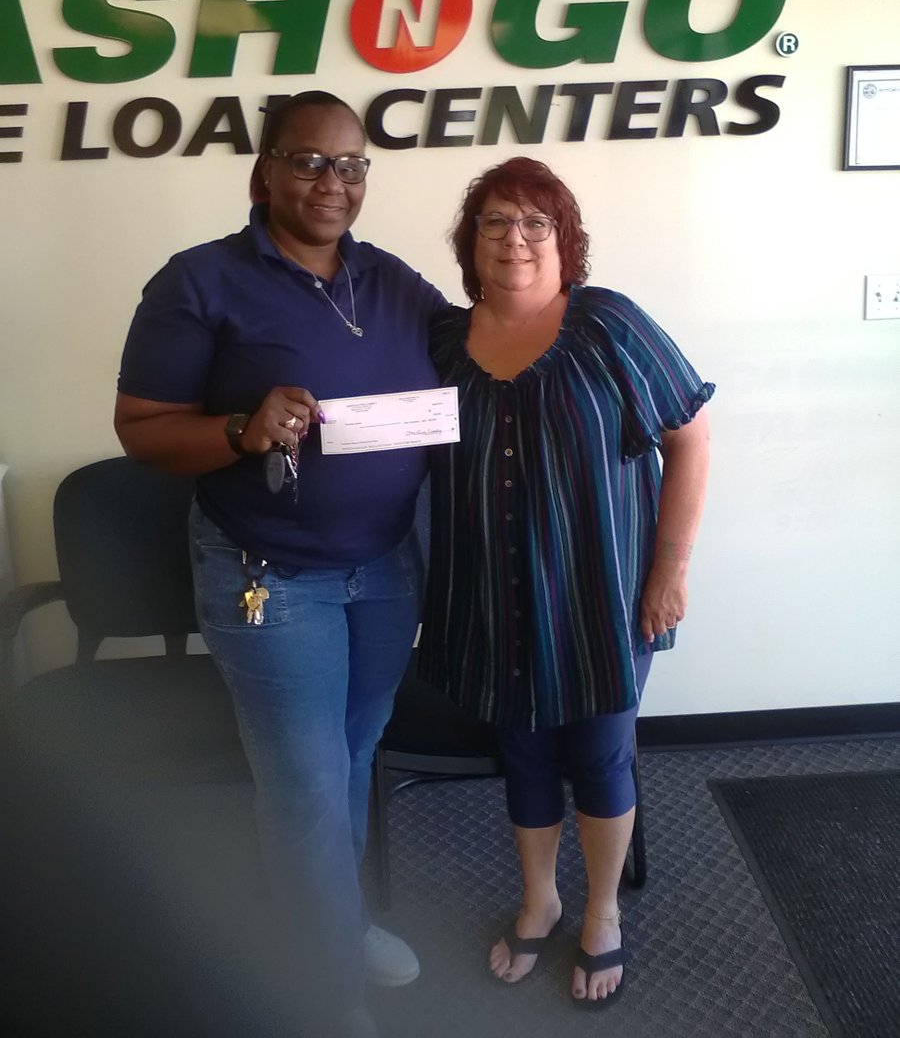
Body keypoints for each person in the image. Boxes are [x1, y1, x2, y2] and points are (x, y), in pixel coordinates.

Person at [114, 91, 444, 1038]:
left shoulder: (389, 281)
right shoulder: (199, 281)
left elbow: (474, 357)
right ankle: (321, 986)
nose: (333, 183)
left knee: (351, 759)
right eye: (309, 161)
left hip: (384, 569)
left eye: (351, 165)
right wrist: (237, 429)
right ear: (264, 173)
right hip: (270, 578)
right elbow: (141, 429)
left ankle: (335, 923)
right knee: (304, 787)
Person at [419, 156, 713, 1010]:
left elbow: (691, 438)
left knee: (600, 752)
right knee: (523, 751)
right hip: (494, 594)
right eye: (495, 221)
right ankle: (541, 900)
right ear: (470, 241)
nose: (514, 238)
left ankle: (603, 911)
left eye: (535, 223)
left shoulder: (608, 325)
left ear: (564, 240)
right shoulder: (440, 344)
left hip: (603, 593)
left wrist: (671, 568)